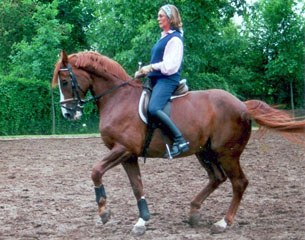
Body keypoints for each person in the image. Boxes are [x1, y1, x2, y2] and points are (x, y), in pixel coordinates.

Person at [135, 4, 189, 158]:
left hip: (167, 80)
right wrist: (142, 72)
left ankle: (180, 140)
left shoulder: (175, 39)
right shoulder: (163, 37)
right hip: (156, 79)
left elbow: (170, 67)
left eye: (161, 16)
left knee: (153, 108)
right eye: (158, 16)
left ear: (170, 18)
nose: (158, 18)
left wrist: (150, 67)